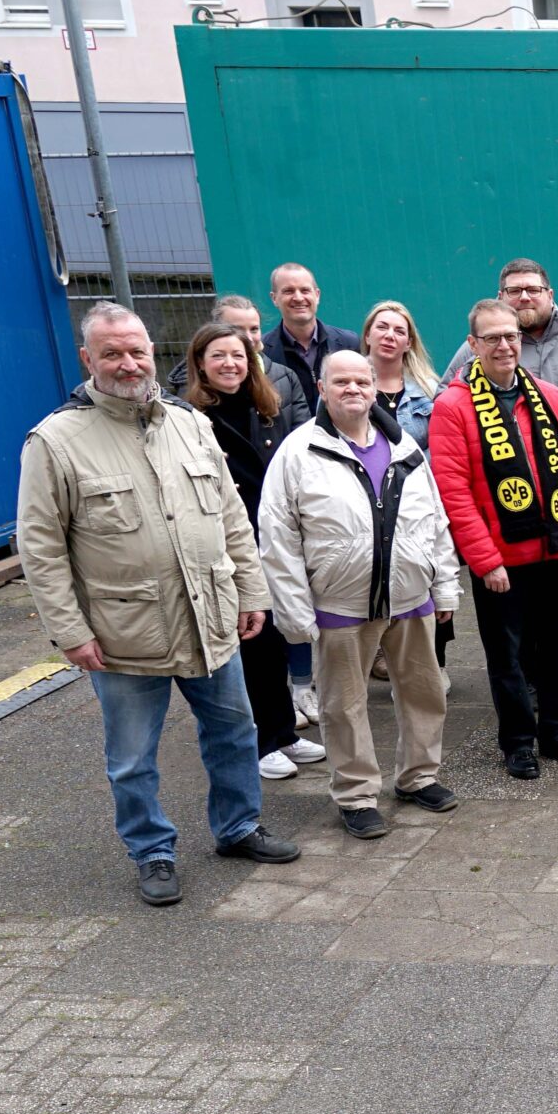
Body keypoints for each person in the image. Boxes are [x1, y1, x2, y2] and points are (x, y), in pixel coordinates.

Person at [16, 303, 300, 906]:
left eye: (137, 351)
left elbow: (230, 518)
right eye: (112, 353)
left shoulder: (188, 422)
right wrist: (70, 631)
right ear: (88, 360)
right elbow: (41, 550)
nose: (127, 363)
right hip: (122, 631)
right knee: (132, 757)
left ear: (153, 353)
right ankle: (152, 851)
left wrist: (251, 592)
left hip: (211, 615)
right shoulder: (55, 441)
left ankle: (239, 826)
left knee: (234, 730)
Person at [258, 351, 463, 838]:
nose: (352, 389)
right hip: (339, 605)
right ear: (322, 389)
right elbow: (278, 537)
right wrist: (292, 612)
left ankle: (418, 777)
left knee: (424, 692)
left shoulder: (405, 448)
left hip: (411, 598)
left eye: (360, 381)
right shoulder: (298, 452)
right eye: (340, 381)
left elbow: (435, 522)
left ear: (374, 388)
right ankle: (356, 794)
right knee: (343, 706)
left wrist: (446, 586)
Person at [429, 298, 558, 779]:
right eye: (493, 338)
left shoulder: (548, 396)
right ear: (472, 344)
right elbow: (454, 492)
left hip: (556, 551)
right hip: (501, 562)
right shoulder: (453, 406)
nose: (504, 346)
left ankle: (557, 731)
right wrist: (485, 560)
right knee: (507, 657)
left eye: (511, 336)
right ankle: (519, 741)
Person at [182, 321, 326, 783]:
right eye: (219, 356)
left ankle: (283, 732)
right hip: (230, 544)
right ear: (200, 364)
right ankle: (262, 742)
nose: (230, 364)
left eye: (238, 356)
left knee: (279, 640)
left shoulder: (267, 405)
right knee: (252, 645)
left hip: (273, 537)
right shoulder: (190, 417)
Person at [443, 258, 558, 407]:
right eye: (514, 291)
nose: (524, 297)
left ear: (550, 296)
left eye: (533, 290)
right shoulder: (478, 347)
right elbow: (445, 403)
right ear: (500, 297)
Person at [171, 294, 310, 430]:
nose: (248, 338)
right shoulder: (187, 389)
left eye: (254, 329)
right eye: (236, 329)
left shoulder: (286, 377)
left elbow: (301, 435)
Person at [266, 263, 361, 400]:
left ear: (317, 295)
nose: (298, 298)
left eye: (305, 290)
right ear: (274, 298)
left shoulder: (349, 343)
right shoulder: (263, 353)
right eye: (288, 291)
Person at [360, 300, 440, 449]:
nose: (390, 335)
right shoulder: (344, 384)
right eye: (382, 327)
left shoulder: (428, 389)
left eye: (399, 331)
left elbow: (442, 447)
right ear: (367, 336)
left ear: (408, 344)